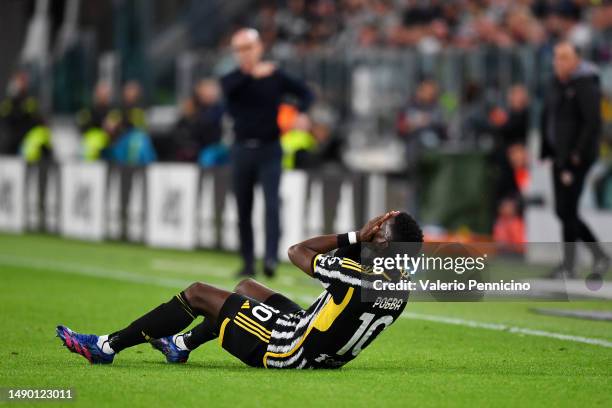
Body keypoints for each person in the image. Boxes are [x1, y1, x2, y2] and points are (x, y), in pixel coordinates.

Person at [55, 211, 424, 369]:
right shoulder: (400, 287)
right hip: (319, 347)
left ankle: (105, 347)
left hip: (288, 349)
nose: (372, 234)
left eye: (379, 233)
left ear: (383, 244)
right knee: (248, 288)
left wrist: (355, 236)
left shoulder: (353, 274)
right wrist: (369, 242)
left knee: (199, 292)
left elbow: (298, 252)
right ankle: (180, 346)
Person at [221, 28, 314, 278]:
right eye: (239, 49)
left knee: (272, 206)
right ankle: (248, 262)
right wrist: (252, 73)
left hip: (270, 149)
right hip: (242, 149)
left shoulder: (275, 76)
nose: (244, 54)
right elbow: (230, 93)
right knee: (243, 208)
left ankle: (271, 259)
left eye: (248, 47)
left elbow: (306, 93)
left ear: (259, 48)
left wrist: (299, 112)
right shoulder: (231, 79)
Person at [541, 41, 610, 278]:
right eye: (556, 57)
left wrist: (576, 154)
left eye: (564, 57)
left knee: (567, 208)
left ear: (576, 60)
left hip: (575, 157)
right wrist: (546, 149)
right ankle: (594, 256)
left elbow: (592, 122)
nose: (558, 62)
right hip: (559, 155)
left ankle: (573, 264)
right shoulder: (557, 84)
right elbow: (549, 117)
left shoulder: (584, 83)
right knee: (563, 210)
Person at [0, 70, 43, 155]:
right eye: (19, 81)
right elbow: (4, 119)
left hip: (25, 141)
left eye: (23, 81)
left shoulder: (29, 101)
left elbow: (37, 120)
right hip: (9, 143)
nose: (21, 84)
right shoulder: (8, 103)